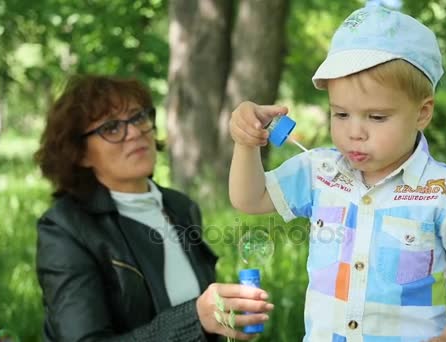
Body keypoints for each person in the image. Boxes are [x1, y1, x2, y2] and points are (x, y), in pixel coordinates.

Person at [228, 3, 446, 342]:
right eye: (341, 114)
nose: (355, 132)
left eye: (377, 117)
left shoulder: (445, 192)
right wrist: (245, 143)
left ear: (422, 113)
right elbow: (249, 198)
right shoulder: (319, 172)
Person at [34, 74, 273, 341]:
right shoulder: (64, 229)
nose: (135, 132)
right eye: (112, 127)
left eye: (138, 118)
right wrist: (195, 319)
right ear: (79, 152)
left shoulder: (180, 207)